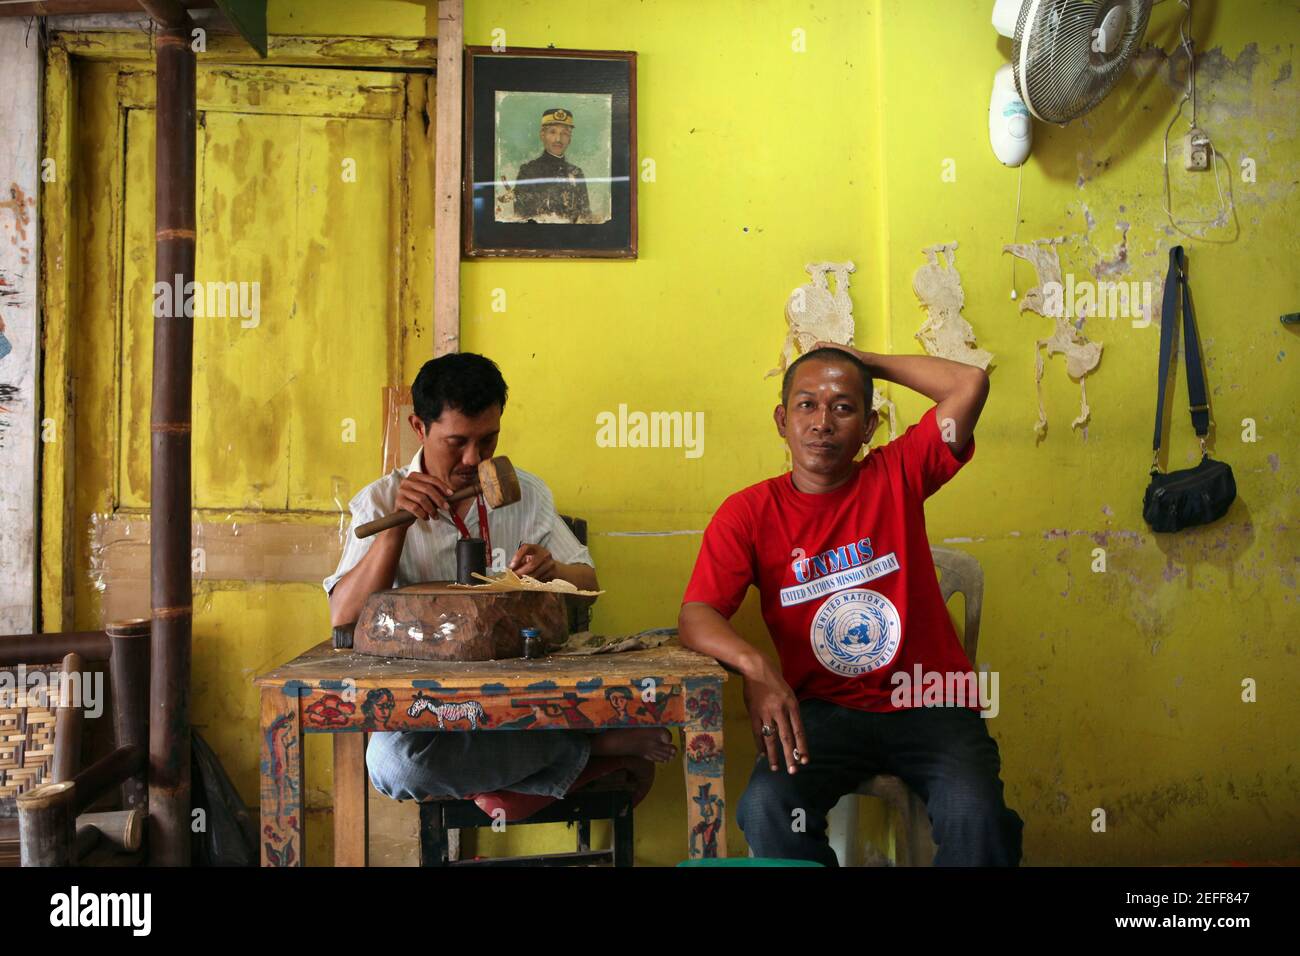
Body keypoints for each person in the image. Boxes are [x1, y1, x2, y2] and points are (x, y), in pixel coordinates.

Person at [678, 343, 1023, 866]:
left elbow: (969, 383)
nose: (822, 422)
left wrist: (860, 360)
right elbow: (697, 613)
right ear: (781, 420)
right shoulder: (748, 513)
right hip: (822, 713)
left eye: (843, 407)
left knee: (978, 818)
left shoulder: (897, 473)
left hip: (931, 703)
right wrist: (755, 666)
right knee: (767, 809)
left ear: (868, 426)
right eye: (806, 404)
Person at [325, 352, 674, 807]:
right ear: (419, 428)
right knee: (395, 765)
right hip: (426, 704)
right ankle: (590, 750)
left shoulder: (526, 491)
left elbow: (586, 580)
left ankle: (497, 777)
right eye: (457, 442)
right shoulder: (379, 501)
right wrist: (395, 531)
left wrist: (554, 571)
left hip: (522, 692)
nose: (473, 458)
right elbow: (342, 616)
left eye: (488, 440)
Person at [512, 107, 593, 223]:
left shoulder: (576, 172)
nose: (558, 139)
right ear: (542, 135)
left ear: (569, 139)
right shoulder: (528, 171)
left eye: (564, 133)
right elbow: (521, 218)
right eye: (552, 132)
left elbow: (586, 217)